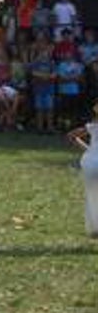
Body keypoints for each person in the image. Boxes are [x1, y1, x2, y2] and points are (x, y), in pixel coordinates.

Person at [65, 101, 98, 238]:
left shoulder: (93, 126)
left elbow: (71, 136)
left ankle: (95, 228)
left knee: (93, 197)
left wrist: (89, 151)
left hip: (90, 163)